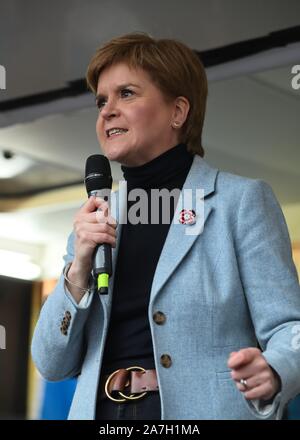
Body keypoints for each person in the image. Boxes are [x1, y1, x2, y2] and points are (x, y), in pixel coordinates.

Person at [31, 33, 300, 420]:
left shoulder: (239, 202)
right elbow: (50, 363)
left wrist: (275, 368)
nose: (107, 110)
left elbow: (290, 326)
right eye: (101, 100)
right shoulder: (95, 217)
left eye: (126, 93)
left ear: (178, 112)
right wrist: (78, 271)